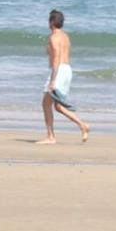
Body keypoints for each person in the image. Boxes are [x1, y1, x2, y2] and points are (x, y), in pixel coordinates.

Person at [39, 9, 91, 144]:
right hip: (67, 70)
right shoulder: (65, 36)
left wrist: (53, 80)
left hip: (59, 71)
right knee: (58, 106)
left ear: (51, 22)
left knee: (45, 104)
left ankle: (51, 137)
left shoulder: (53, 37)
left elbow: (56, 59)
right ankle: (83, 125)